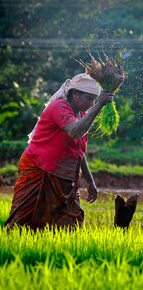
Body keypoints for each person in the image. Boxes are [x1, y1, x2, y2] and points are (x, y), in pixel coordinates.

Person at [4, 73, 121, 230]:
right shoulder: (59, 107)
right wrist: (99, 105)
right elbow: (74, 132)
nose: (91, 103)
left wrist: (90, 180)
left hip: (66, 176)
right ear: (74, 94)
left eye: (94, 99)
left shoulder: (82, 115)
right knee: (23, 221)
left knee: (70, 224)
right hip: (39, 169)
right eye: (88, 98)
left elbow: (78, 150)